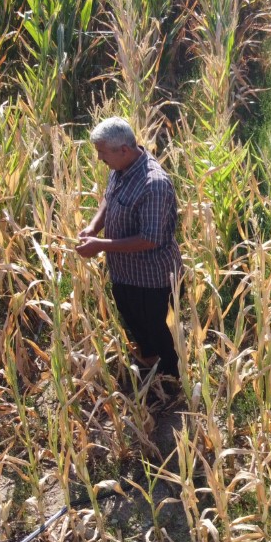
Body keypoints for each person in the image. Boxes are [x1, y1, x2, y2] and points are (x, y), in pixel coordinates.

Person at [75, 117, 183, 389]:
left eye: (102, 152)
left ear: (123, 149)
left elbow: (150, 239)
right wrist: (93, 227)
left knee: (156, 328)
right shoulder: (120, 168)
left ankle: (171, 379)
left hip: (151, 278)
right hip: (123, 271)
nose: (99, 158)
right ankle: (150, 362)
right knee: (133, 319)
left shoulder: (154, 185)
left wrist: (100, 245)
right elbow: (109, 198)